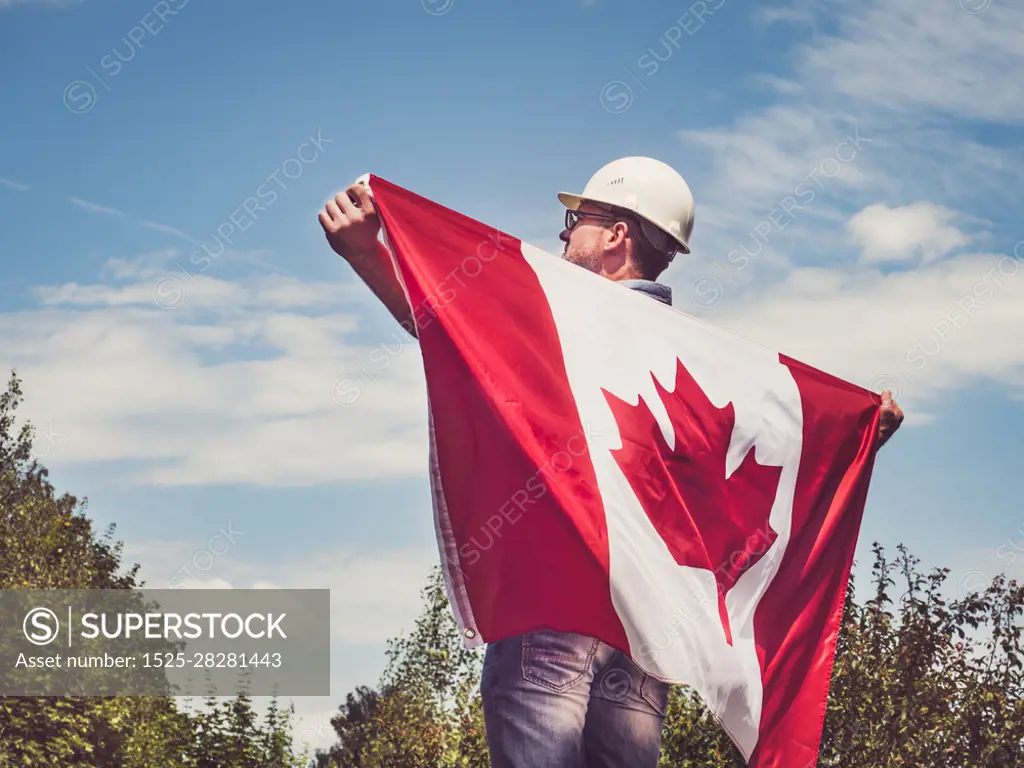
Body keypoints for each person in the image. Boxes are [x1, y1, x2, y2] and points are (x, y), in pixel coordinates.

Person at [318, 157, 905, 767]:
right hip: (641, 644)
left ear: (617, 235)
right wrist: (860, 438)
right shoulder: (697, 369)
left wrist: (367, 254)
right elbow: (774, 477)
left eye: (578, 219)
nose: (564, 233)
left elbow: (452, 329)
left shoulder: (560, 316)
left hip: (552, 612)